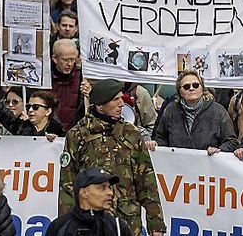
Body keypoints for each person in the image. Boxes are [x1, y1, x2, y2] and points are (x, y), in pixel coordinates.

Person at [60, 79, 165, 236]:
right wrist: (67, 224)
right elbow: (67, 183)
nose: (121, 104)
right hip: (90, 224)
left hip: (127, 222)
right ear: (100, 105)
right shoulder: (78, 135)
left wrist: (156, 225)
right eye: (115, 99)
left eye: (121, 98)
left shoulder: (131, 133)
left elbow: (147, 181)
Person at [149, 70, 238, 153]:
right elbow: (161, 137)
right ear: (180, 92)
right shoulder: (170, 110)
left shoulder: (218, 111)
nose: (191, 89)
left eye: (195, 85)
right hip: (177, 165)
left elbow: (231, 141)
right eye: (186, 86)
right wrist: (157, 145)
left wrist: (219, 150)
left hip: (208, 166)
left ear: (202, 88)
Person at [47, 168, 133, 236]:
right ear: (84, 193)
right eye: (102, 188)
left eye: (109, 187)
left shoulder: (118, 227)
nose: (110, 193)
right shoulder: (59, 227)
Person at [0, 81, 64, 138]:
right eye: (28, 107)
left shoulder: (59, 132)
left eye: (35, 107)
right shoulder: (22, 127)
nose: (31, 110)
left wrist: (55, 141)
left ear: (48, 111)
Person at [50, 39, 87, 130]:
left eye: (72, 59)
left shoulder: (81, 77)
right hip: (48, 133)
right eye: (65, 60)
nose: (70, 64)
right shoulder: (44, 76)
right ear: (55, 58)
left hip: (72, 132)